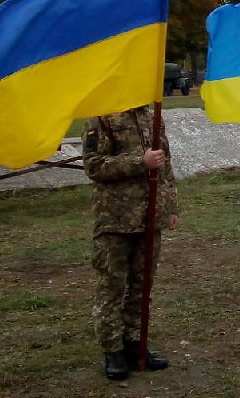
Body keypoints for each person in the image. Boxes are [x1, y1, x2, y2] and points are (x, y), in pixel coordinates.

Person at [82, 104, 180, 381]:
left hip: (150, 217)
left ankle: (135, 342)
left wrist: (171, 206)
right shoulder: (102, 115)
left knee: (142, 285)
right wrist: (140, 161)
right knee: (112, 286)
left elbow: (165, 164)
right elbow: (93, 165)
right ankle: (113, 349)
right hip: (115, 219)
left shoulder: (152, 116)